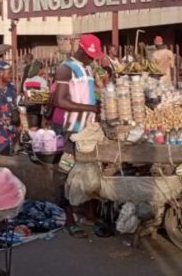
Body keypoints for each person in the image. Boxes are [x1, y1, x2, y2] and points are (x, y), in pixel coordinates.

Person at [53, 34, 103, 238]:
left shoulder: (88, 68)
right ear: (81, 50)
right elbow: (60, 100)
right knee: (67, 173)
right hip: (73, 130)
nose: (92, 59)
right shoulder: (66, 68)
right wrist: (89, 107)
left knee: (90, 171)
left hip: (88, 130)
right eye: (90, 55)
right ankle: (69, 220)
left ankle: (88, 214)